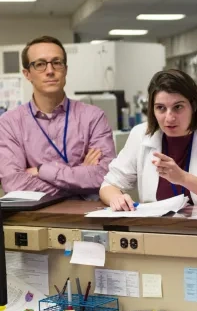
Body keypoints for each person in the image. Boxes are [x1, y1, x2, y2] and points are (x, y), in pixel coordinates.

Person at [100, 69, 197, 211]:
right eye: (161, 108)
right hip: (157, 228)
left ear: (194, 105)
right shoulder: (141, 134)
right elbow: (109, 185)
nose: (169, 118)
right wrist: (117, 198)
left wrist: (183, 178)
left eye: (178, 107)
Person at [0, 35, 115, 196]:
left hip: (89, 217)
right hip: (34, 219)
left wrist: (41, 171)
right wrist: (79, 178)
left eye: (57, 63)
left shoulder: (93, 117)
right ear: (27, 74)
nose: (50, 71)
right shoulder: (9, 123)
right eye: (40, 64)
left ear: (65, 69)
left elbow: (105, 175)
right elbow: (14, 183)